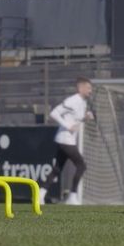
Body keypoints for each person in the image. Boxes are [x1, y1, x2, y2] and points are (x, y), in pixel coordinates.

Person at [39, 77, 94, 205]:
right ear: (81, 88)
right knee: (81, 165)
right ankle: (72, 196)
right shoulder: (72, 100)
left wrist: (85, 118)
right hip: (65, 139)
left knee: (57, 169)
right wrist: (68, 126)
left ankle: (40, 194)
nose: (90, 91)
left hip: (67, 139)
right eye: (88, 88)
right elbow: (54, 113)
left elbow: (76, 120)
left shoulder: (83, 102)